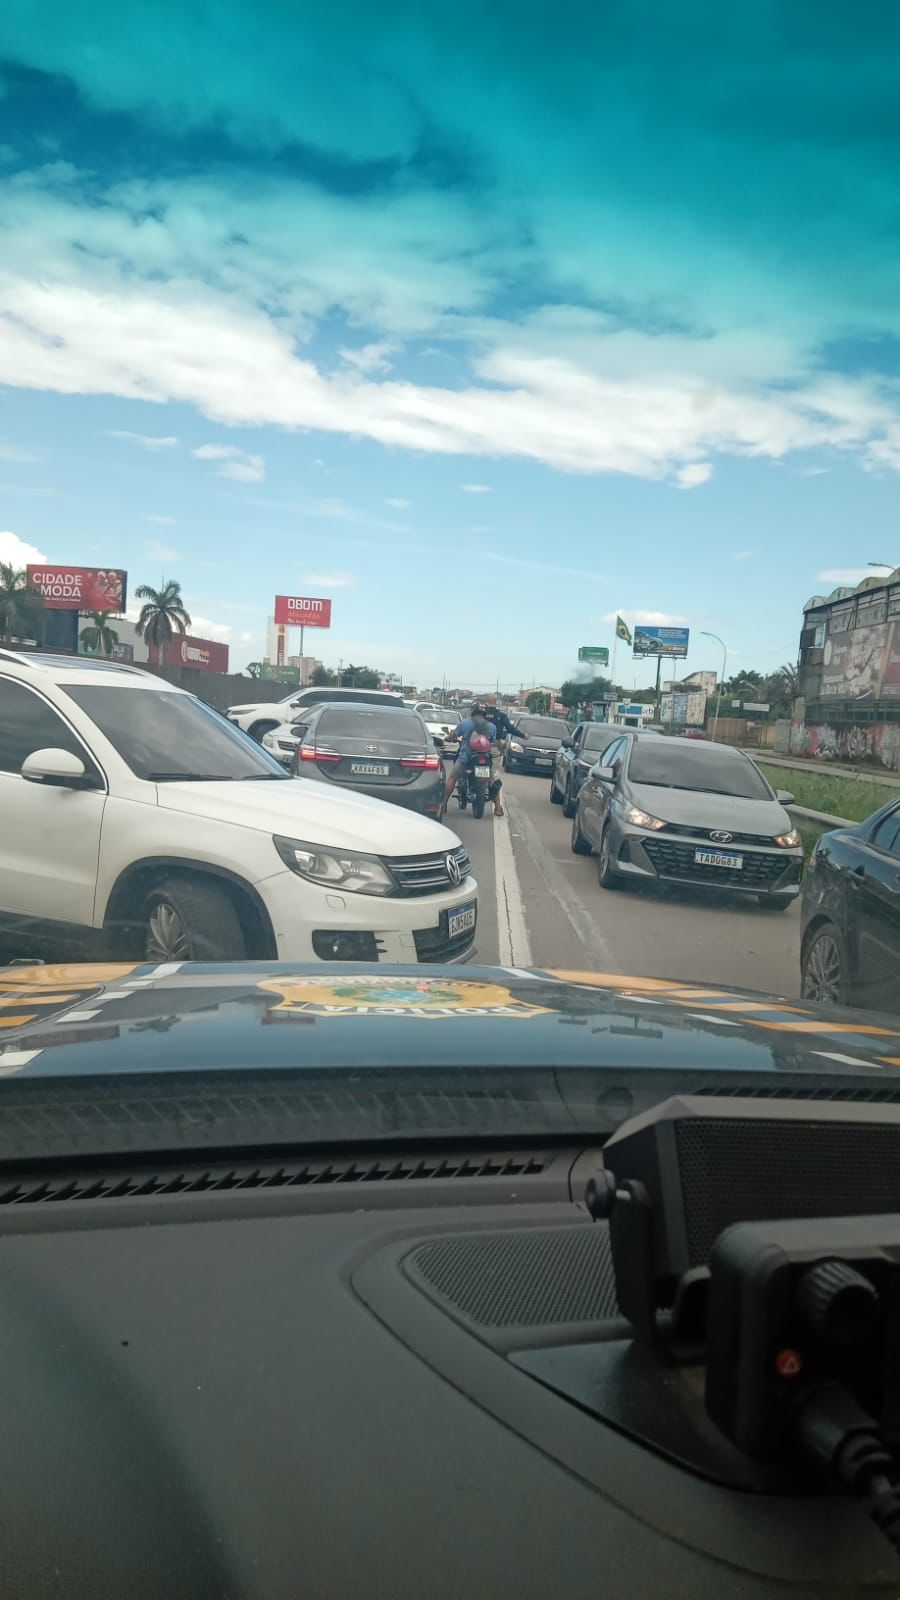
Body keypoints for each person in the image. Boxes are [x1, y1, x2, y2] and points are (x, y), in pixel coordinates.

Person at [441, 704, 504, 816]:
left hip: (466, 758)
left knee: (452, 778)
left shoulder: (464, 723)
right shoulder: (492, 726)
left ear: (473, 714)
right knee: (492, 781)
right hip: (485, 758)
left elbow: (453, 735)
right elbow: (493, 741)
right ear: (484, 715)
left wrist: (447, 737)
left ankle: (444, 805)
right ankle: (498, 808)